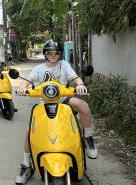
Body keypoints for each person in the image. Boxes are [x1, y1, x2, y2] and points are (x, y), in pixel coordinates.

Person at [15, 39, 99, 185]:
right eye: (50, 52)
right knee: (30, 131)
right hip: (44, 103)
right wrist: (23, 87)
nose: (53, 55)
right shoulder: (39, 69)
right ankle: (26, 165)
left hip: (63, 101)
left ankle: (88, 138)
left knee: (83, 106)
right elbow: (27, 81)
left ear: (60, 54)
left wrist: (80, 85)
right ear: (45, 54)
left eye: (56, 52)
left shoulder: (64, 65)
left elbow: (76, 78)